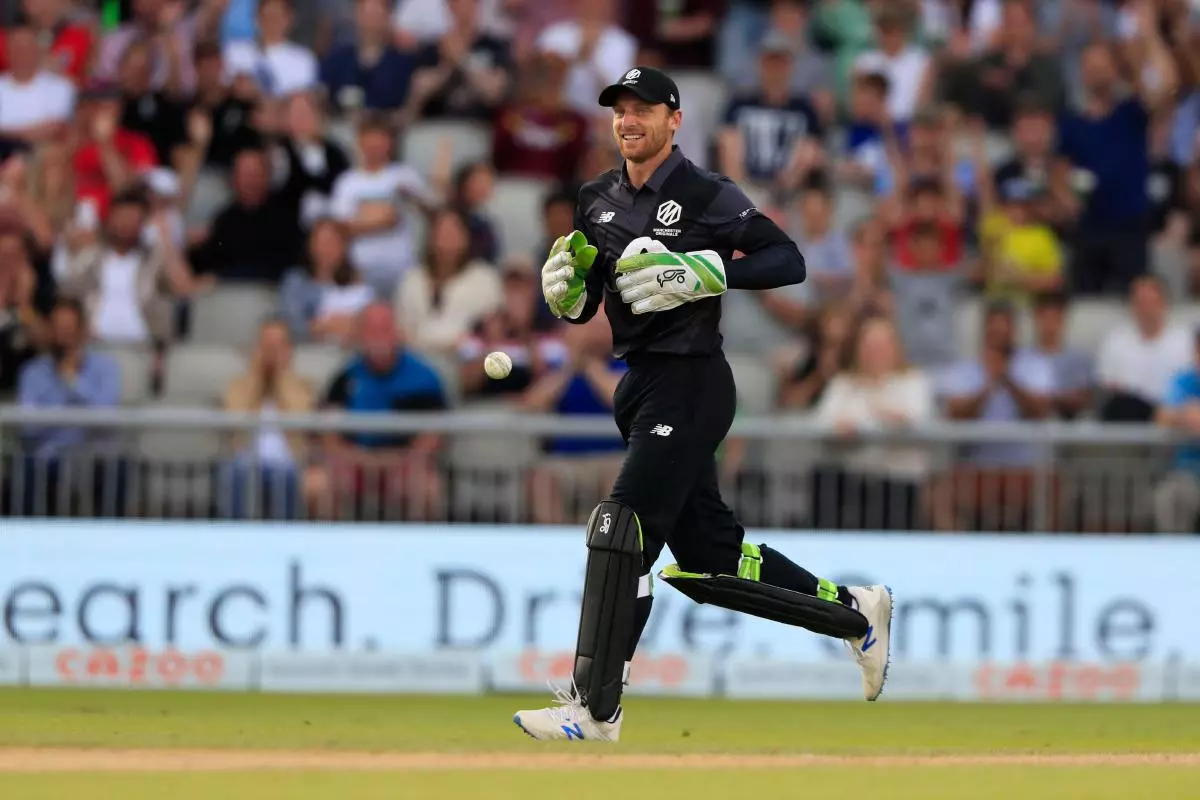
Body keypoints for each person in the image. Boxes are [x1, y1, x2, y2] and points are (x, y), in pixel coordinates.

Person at [514, 65, 892, 743]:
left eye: (644, 109)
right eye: (620, 110)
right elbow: (591, 304)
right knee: (713, 556)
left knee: (621, 527)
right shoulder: (595, 198)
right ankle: (855, 614)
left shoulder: (704, 191)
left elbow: (787, 260)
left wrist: (709, 270)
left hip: (693, 381)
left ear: (674, 120)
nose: (629, 121)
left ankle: (596, 707)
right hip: (639, 387)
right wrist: (568, 300)